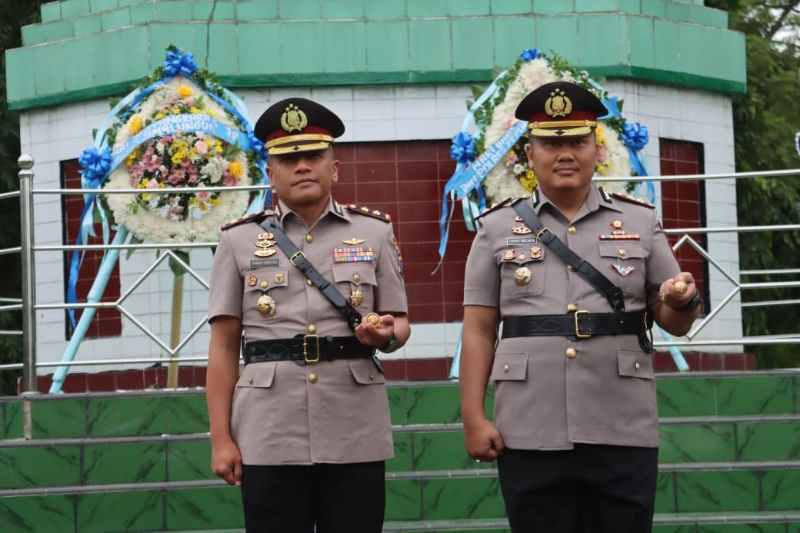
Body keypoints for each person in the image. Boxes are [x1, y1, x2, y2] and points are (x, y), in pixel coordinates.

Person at [459, 81, 703, 533]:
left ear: (598, 149)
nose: (564, 153)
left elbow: (673, 317)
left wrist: (682, 300)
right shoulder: (495, 229)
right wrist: (474, 416)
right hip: (529, 427)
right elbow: (478, 328)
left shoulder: (639, 221)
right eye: (551, 143)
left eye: (577, 140)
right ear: (529, 155)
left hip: (620, 422)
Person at [206, 97, 410, 533]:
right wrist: (222, 439)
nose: (302, 166)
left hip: (354, 426)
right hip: (269, 430)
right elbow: (224, 347)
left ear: (334, 167)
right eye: (288, 158)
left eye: (314, 156)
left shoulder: (374, 232)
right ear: (270, 171)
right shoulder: (238, 241)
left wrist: (388, 334)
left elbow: (399, 320)